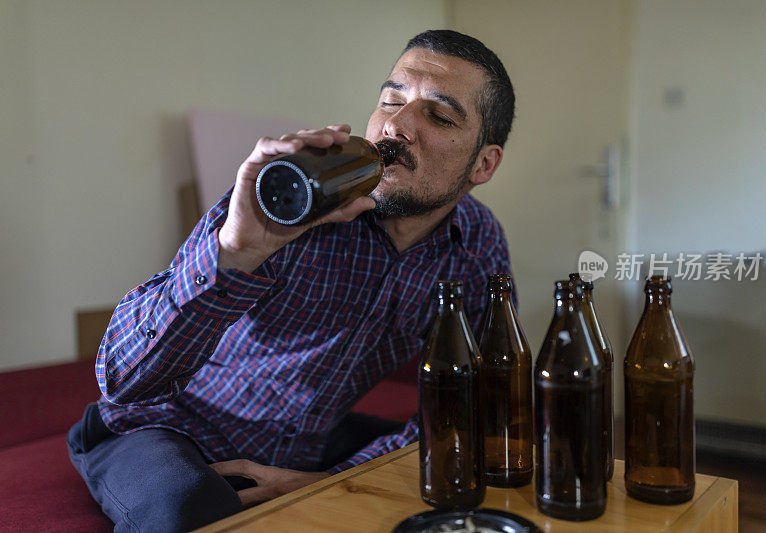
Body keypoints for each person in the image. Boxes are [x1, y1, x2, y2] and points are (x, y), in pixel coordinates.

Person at [68, 29, 516, 531]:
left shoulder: (476, 246)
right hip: (165, 427)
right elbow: (124, 383)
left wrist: (335, 478)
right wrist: (234, 254)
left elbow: (472, 402)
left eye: (437, 115)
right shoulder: (289, 196)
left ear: (483, 163)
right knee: (188, 509)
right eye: (391, 99)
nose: (395, 125)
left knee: (467, 477)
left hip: (311, 440)